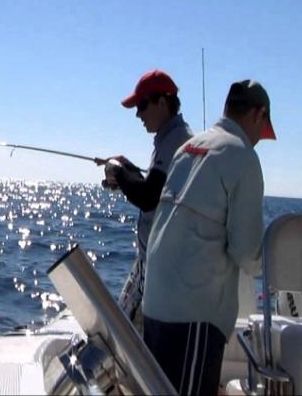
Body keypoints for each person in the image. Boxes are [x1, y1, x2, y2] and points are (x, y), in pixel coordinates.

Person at [141, 79, 276, 396]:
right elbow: (247, 254)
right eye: (263, 129)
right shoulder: (243, 155)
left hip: (155, 305)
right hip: (193, 319)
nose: (259, 139)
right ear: (259, 114)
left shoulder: (188, 147)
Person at [96, 69, 193, 331]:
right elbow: (159, 189)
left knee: (132, 342)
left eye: (142, 105)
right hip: (152, 265)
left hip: (163, 273)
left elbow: (149, 197)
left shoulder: (176, 139)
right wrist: (127, 170)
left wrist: (118, 171)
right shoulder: (168, 139)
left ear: (163, 102)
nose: (138, 114)